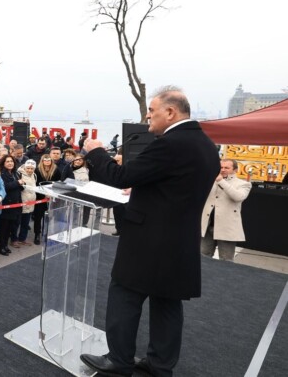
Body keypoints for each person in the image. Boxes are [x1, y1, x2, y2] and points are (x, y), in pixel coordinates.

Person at [79, 86, 219, 377]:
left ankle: (119, 360)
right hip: (180, 241)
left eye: (151, 111)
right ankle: (160, 365)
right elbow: (176, 187)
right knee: (167, 303)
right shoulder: (205, 145)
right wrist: (144, 190)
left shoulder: (170, 144)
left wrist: (96, 152)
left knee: (124, 295)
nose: (147, 117)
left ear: (170, 112)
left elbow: (119, 176)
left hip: (148, 241)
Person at [200, 159, 252, 261]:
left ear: (235, 170)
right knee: (203, 258)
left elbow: (238, 197)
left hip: (226, 228)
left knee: (226, 260)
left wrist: (221, 181)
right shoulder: (210, 181)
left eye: (226, 168)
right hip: (207, 226)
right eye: (221, 167)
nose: (223, 170)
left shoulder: (243, 184)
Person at [0, 155, 23, 256]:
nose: (10, 163)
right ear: (3, 163)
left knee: (9, 227)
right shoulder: (1, 174)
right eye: (7, 161)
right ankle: (0, 246)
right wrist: (17, 183)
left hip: (15, 204)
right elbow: (5, 187)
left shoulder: (15, 173)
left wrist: (21, 184)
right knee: (3, 228)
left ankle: (5, 245)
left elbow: (18, 186)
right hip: (6, 204)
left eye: (11, 161)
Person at [32, 154, 58, 245]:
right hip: (39, 197)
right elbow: (35, 184)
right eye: (45, 160)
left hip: (51, 197)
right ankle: (37, 234)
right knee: (38, 217)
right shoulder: (37, 170)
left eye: (48, 160)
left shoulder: (56, 170)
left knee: (48, 217)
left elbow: (58, 183)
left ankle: (46, 233)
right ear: (42, 161)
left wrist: (51, 194)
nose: (47, 162)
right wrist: (43, 194)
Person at [15, 159, 37, 246]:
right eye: (28, 168)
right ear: (24, 167)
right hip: (21, 203)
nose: (30, 170)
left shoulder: (34, 175)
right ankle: (14, 239)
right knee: (16, 223)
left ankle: (22, 239)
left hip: (31, 203)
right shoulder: (19, 174)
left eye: (32, 168)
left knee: (25, 223)